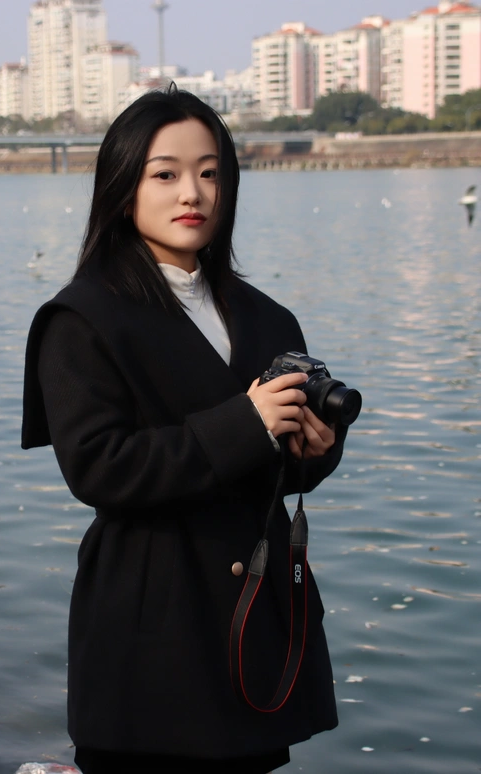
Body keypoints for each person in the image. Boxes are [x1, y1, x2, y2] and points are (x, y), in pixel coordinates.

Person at [21, 86, 347, 774]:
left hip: (254, 620)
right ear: (123, 188)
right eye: (165, 174)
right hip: (153, 626)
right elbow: (98, 467)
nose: (191, 192)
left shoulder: (267, 317)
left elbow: (273, 470)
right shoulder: (82, 318)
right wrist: (245, 423)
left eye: (210, 172)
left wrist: (313, 452)